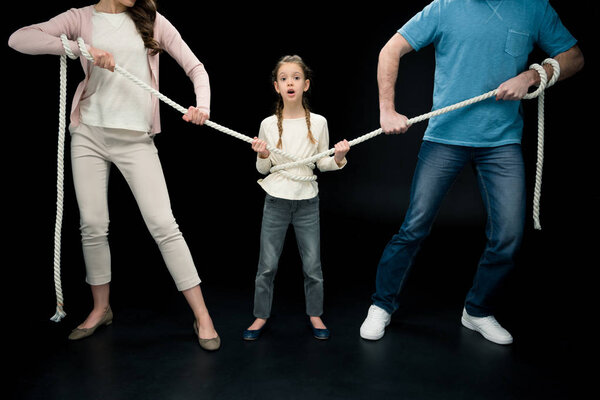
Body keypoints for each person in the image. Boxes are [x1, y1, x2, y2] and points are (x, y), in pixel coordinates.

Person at [359, 0, 584, 345]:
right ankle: (381, 304)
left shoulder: (533, 8)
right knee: (414, 226)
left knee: (508, 236)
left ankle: (477, 310)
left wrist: (531, 75)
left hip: (502, 143)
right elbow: (391, 49)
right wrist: (386, 110)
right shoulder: (444, 7)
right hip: (444, 138)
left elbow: (574, 57)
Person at [8, 0, 221, 351]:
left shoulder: (150, 19)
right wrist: (83, 49)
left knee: (164, 226)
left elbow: (196, 68)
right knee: (92, 225)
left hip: (135, 139)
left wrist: (203, 106)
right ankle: (100, 309)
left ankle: (202, 315)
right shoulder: (80, 19)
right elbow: (19, 39)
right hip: (89, 134)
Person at [244, 55, 350, 341]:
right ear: (277, 87)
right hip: (276, 200)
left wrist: (338, 157)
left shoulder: (319, 123)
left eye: (296, 77)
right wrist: (263, 154)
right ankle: (260, 315)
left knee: (312, 265)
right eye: (283, 78)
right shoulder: (267, 124)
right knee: (267, 265)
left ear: (306, 84)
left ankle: (315, 313)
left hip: (307, 201)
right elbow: (262, 168)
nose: (290, 81)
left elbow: (322, 163)